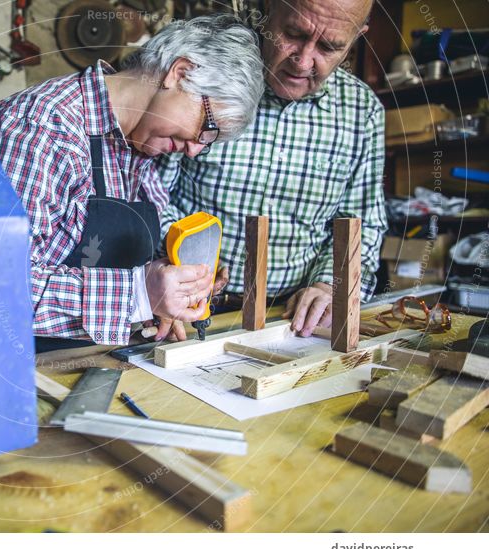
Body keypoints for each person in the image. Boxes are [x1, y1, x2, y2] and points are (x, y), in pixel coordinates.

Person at [0, 15, 264, 349]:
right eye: (207, 128)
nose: (194, 150)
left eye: (208, 144)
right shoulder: (42, 128)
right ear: (180, 73)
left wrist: (171, 290)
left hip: (92, 358)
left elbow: (136, 258)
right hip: (10, 366)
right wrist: (137, 296)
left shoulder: (142, 147)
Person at [160, 0, 387, 337]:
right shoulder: (209, 78)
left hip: (290, 317)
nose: (303, 60)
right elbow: (147, 193)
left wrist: (330, 286)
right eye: (293, 34)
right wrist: (166, 275)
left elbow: (362, 222)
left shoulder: (362, 111)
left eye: (329, 46)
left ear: (355, 39)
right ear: (268, 10)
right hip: (181, 308)